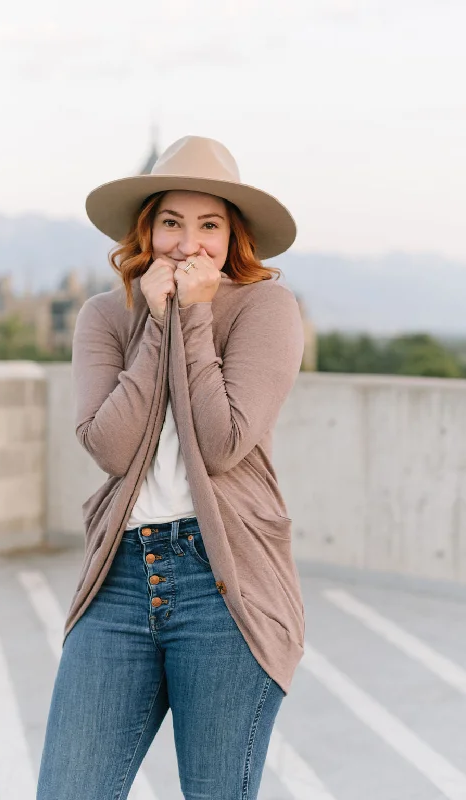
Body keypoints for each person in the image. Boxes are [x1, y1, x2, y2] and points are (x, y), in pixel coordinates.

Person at [37, 135, 306, 800]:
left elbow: (221, 443)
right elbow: (110, 447)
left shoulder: (266, 308)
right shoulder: (105, 315)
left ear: (233, 236)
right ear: (146, 231)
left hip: (225, 588)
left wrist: (195, 316)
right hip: (120, 583)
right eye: (171, 223)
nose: (190, 244)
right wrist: (157, 323)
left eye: (209, 225)